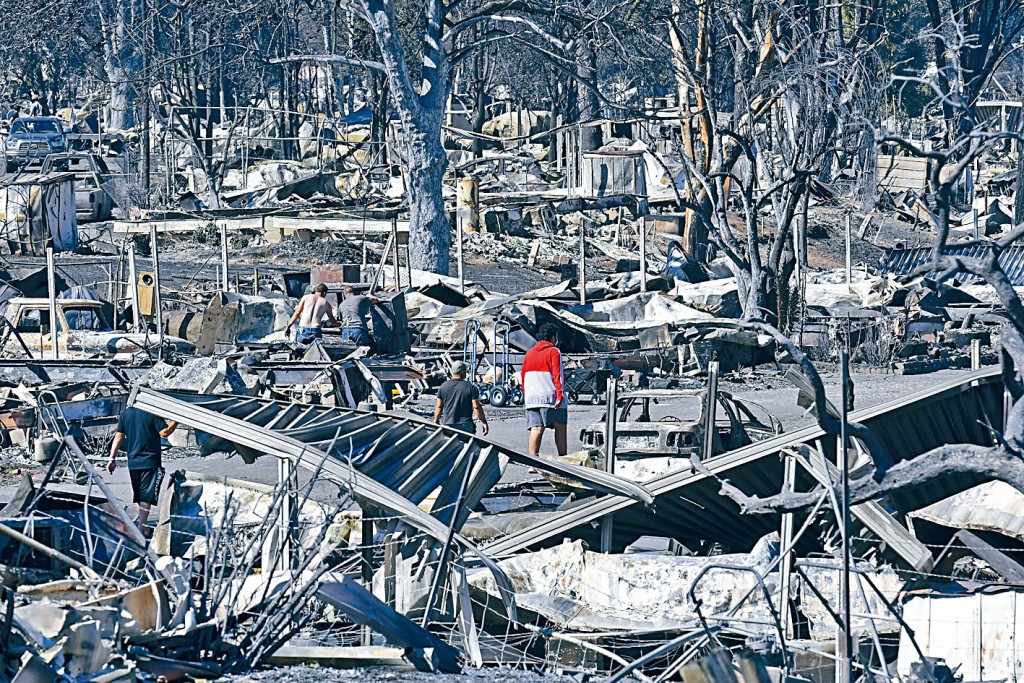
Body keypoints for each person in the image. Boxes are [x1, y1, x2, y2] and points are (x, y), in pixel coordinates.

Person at [107, 406, 178, 534]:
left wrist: (111, 458)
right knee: (146, 496)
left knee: (140, 495)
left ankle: (144, 528)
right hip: (150, 460)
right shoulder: (151, 412)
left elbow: (118, 437)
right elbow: (164, 432)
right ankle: (141, 527)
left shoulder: (126, 414)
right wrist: (176, 420)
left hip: (133, 461)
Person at [522, 323, 568, 456]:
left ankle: (533, 462)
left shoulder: (529, 353)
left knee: (536, 428)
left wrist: (526, 394)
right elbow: (557, 375)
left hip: (531, 398)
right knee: (560, 426)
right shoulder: (554, 351)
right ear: (553, 337)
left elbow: (523, 376)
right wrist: (560, 396)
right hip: (550, 396)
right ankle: (563, 460)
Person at [434, 361, 489, 435]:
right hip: (465, 426)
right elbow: (476, 406)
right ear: (462, 372)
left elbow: (439, 406)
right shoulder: (471, 387)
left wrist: (436, 421)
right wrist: (484, 422)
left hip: (448, 425)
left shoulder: (443, 387)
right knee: (468, 445)